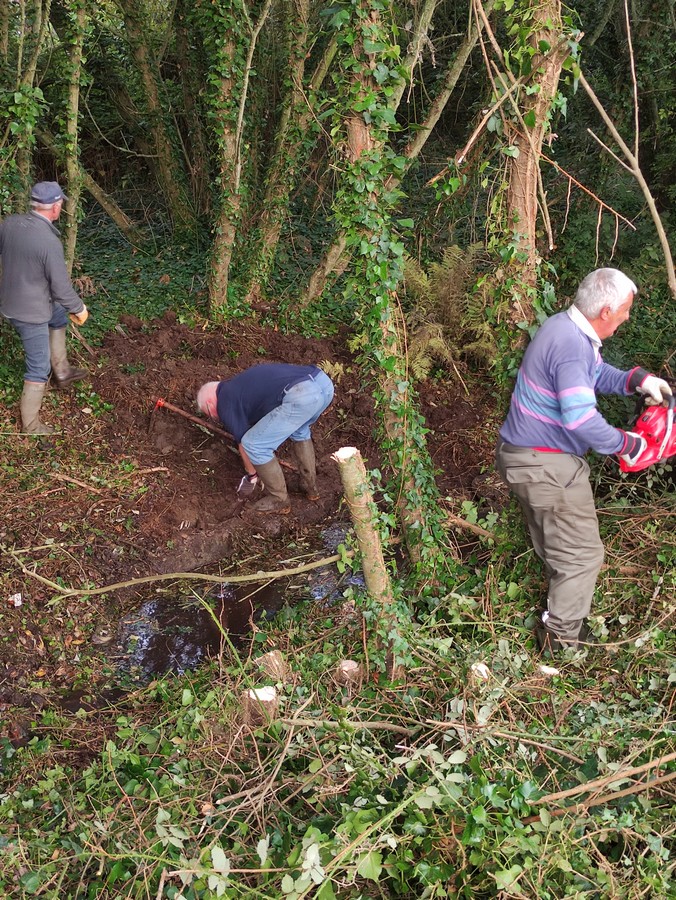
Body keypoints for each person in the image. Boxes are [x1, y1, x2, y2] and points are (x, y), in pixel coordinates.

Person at [496, 268, 672, 652]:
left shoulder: (565, 328)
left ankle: (560, 619)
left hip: (525, 458)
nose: (627, 316)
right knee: (582, 555)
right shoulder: (572, 344)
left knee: (559, 548)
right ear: (606, 310)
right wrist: (628, 444)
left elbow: (592, 373)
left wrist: (637, 380)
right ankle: (560, 641)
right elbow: (579, 418)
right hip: (546, 464)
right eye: (625, 310)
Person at [0, 181, 89, 435]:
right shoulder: (49, 242)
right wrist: (79, 308)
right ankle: (31, 426)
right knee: (38, 367)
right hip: (30, 313)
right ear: (55, 207)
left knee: (58, 315)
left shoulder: (11, 224)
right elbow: (61, 288)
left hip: (10, 302)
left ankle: (62, 372)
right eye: (60, 203)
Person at [197, 363, 335, 513]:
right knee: (300, 430)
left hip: (302, 394)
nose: (215, 418)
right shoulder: (237, 386)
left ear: (210, 404)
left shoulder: (224, 400)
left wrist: (252, 476)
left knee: (254, 444)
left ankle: (279, 500)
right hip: (323, 384)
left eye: (209, 414)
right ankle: (310, 487)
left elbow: (244, 443)